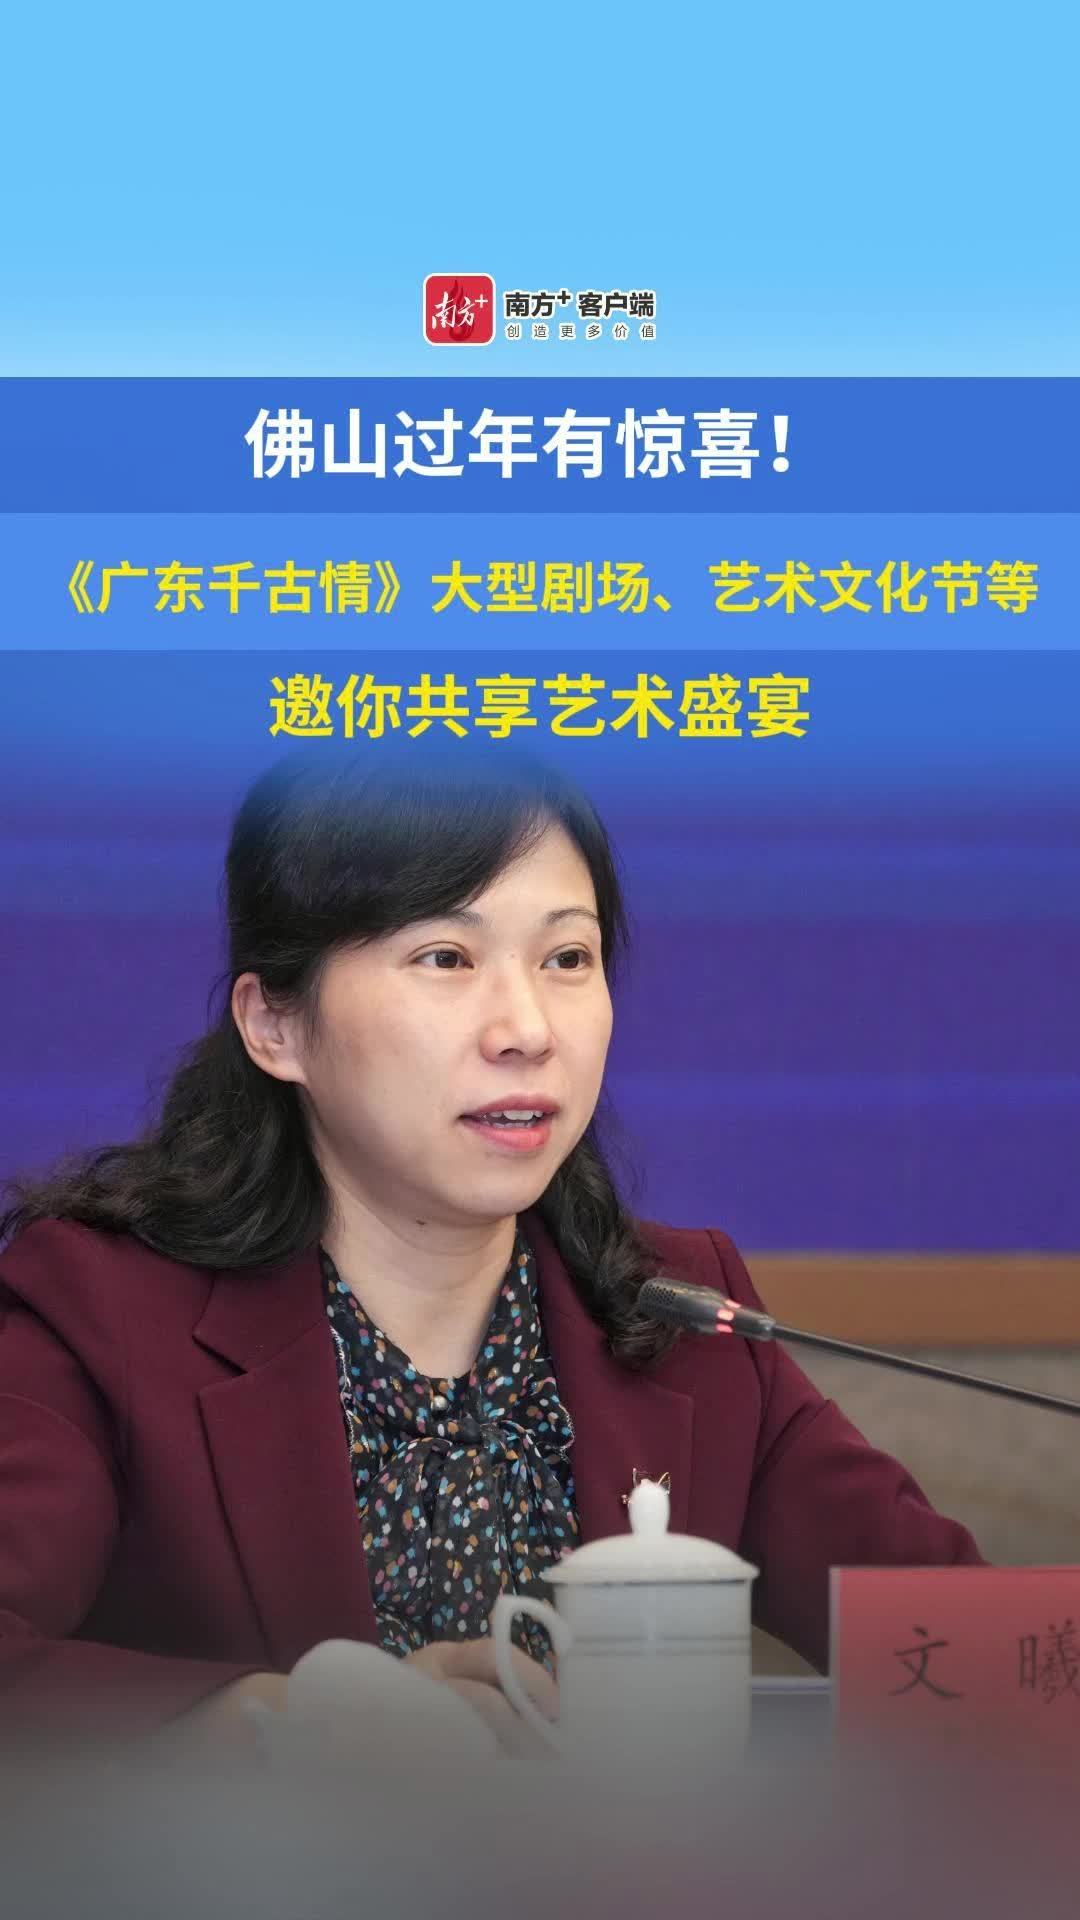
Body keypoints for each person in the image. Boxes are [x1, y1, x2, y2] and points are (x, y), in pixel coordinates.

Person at [0, 747, 985, 1759]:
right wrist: (269, 1723)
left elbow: (971, 1641)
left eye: (567, 959)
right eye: (446, 958)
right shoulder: (97, 1312)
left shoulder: (683, 1317)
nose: (527, 1029)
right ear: (275, 1024)